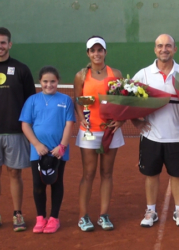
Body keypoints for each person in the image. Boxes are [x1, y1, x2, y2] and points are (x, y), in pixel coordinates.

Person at [132, 34, 179, 227]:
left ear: (175, 49)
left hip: (177, 136)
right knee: (151, 174)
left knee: (178, 175)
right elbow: (127, 100)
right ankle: (151, 211)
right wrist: (136, 123)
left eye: (168, 46)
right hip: (151, 135)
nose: (164, 49)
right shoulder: (144, 74)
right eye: (160, 46)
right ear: (155, 49)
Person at [74, 36, 125, 231]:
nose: (96, 54)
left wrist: (120, 120)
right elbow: (78, 100)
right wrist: (82, 118)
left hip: (111, 131)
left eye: (100, 50)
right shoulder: (81, 76)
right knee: (88, 174)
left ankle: (104, 215)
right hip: (89, 132)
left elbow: (122, 101)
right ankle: (83, 216)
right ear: (88, 53)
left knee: (107, 173)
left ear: (105, 52)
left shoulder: (116, 73)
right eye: (92, 50)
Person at [19, 66, 75, 233]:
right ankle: (40, 218)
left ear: (58, 81)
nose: (49, 84)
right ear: (40, 82)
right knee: (38, 184)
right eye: (45, 81)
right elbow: (25, 125)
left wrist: (62, 147)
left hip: (58, 151)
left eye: (52, 81)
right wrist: (37, 144)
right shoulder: (32, 100)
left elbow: (69, 124)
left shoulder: (65, 100)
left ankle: (54, 218)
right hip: (38, 151)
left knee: (56, 183)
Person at [0, 27, 36, 231]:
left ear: (10, 44)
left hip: (15, 131)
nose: (0, 47)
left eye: (3, 43)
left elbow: (31, 102)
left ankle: (17, 213)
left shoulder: (21, 70)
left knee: (14, 173)